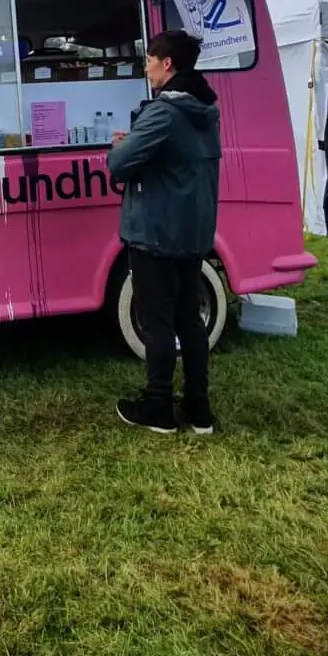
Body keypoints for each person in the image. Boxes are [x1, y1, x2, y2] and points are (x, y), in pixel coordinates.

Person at [107, 29, 222, 435]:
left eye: (150, 59)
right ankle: (198, 409)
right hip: (193, 234)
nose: (147, 66)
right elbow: (177, 159)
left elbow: (119, 165)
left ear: (167, 64)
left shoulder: (164, 111)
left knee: (157, 323)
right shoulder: (205, 109)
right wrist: (138, 141)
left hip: (155, 232)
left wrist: (124, 145)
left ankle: (158, 407)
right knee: (189, 320)